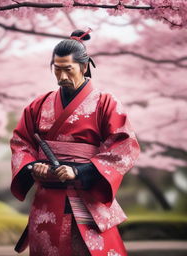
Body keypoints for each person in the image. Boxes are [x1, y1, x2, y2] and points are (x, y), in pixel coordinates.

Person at [9, 29, 140, 256]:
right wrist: (33, 167)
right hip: (47, 199)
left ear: (84, 66)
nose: (61, 77)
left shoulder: (105, 102)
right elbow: (21, 142)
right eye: (56, 70)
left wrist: (80, 172)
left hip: (86, 194)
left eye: (67, 70)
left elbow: (124, 146)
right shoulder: (39, 105)